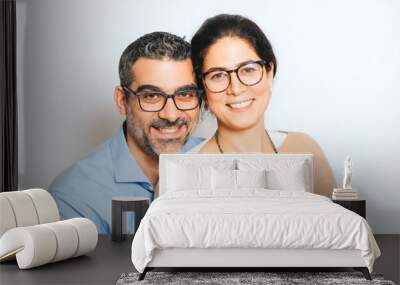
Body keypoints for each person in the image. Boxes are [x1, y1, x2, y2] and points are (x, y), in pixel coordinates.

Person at [49, 32, 203, 234]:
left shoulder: (220, 162)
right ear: (122, 101)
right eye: (151, 96)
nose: (171, 115)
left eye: (185, 94)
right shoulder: (73, 197)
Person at [190, 14, 336, 196]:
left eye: (248, 69)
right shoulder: (188, 169)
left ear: (269, 72)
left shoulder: (304, 149)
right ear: (202, 87)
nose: (236, 89)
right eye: (218, 75)